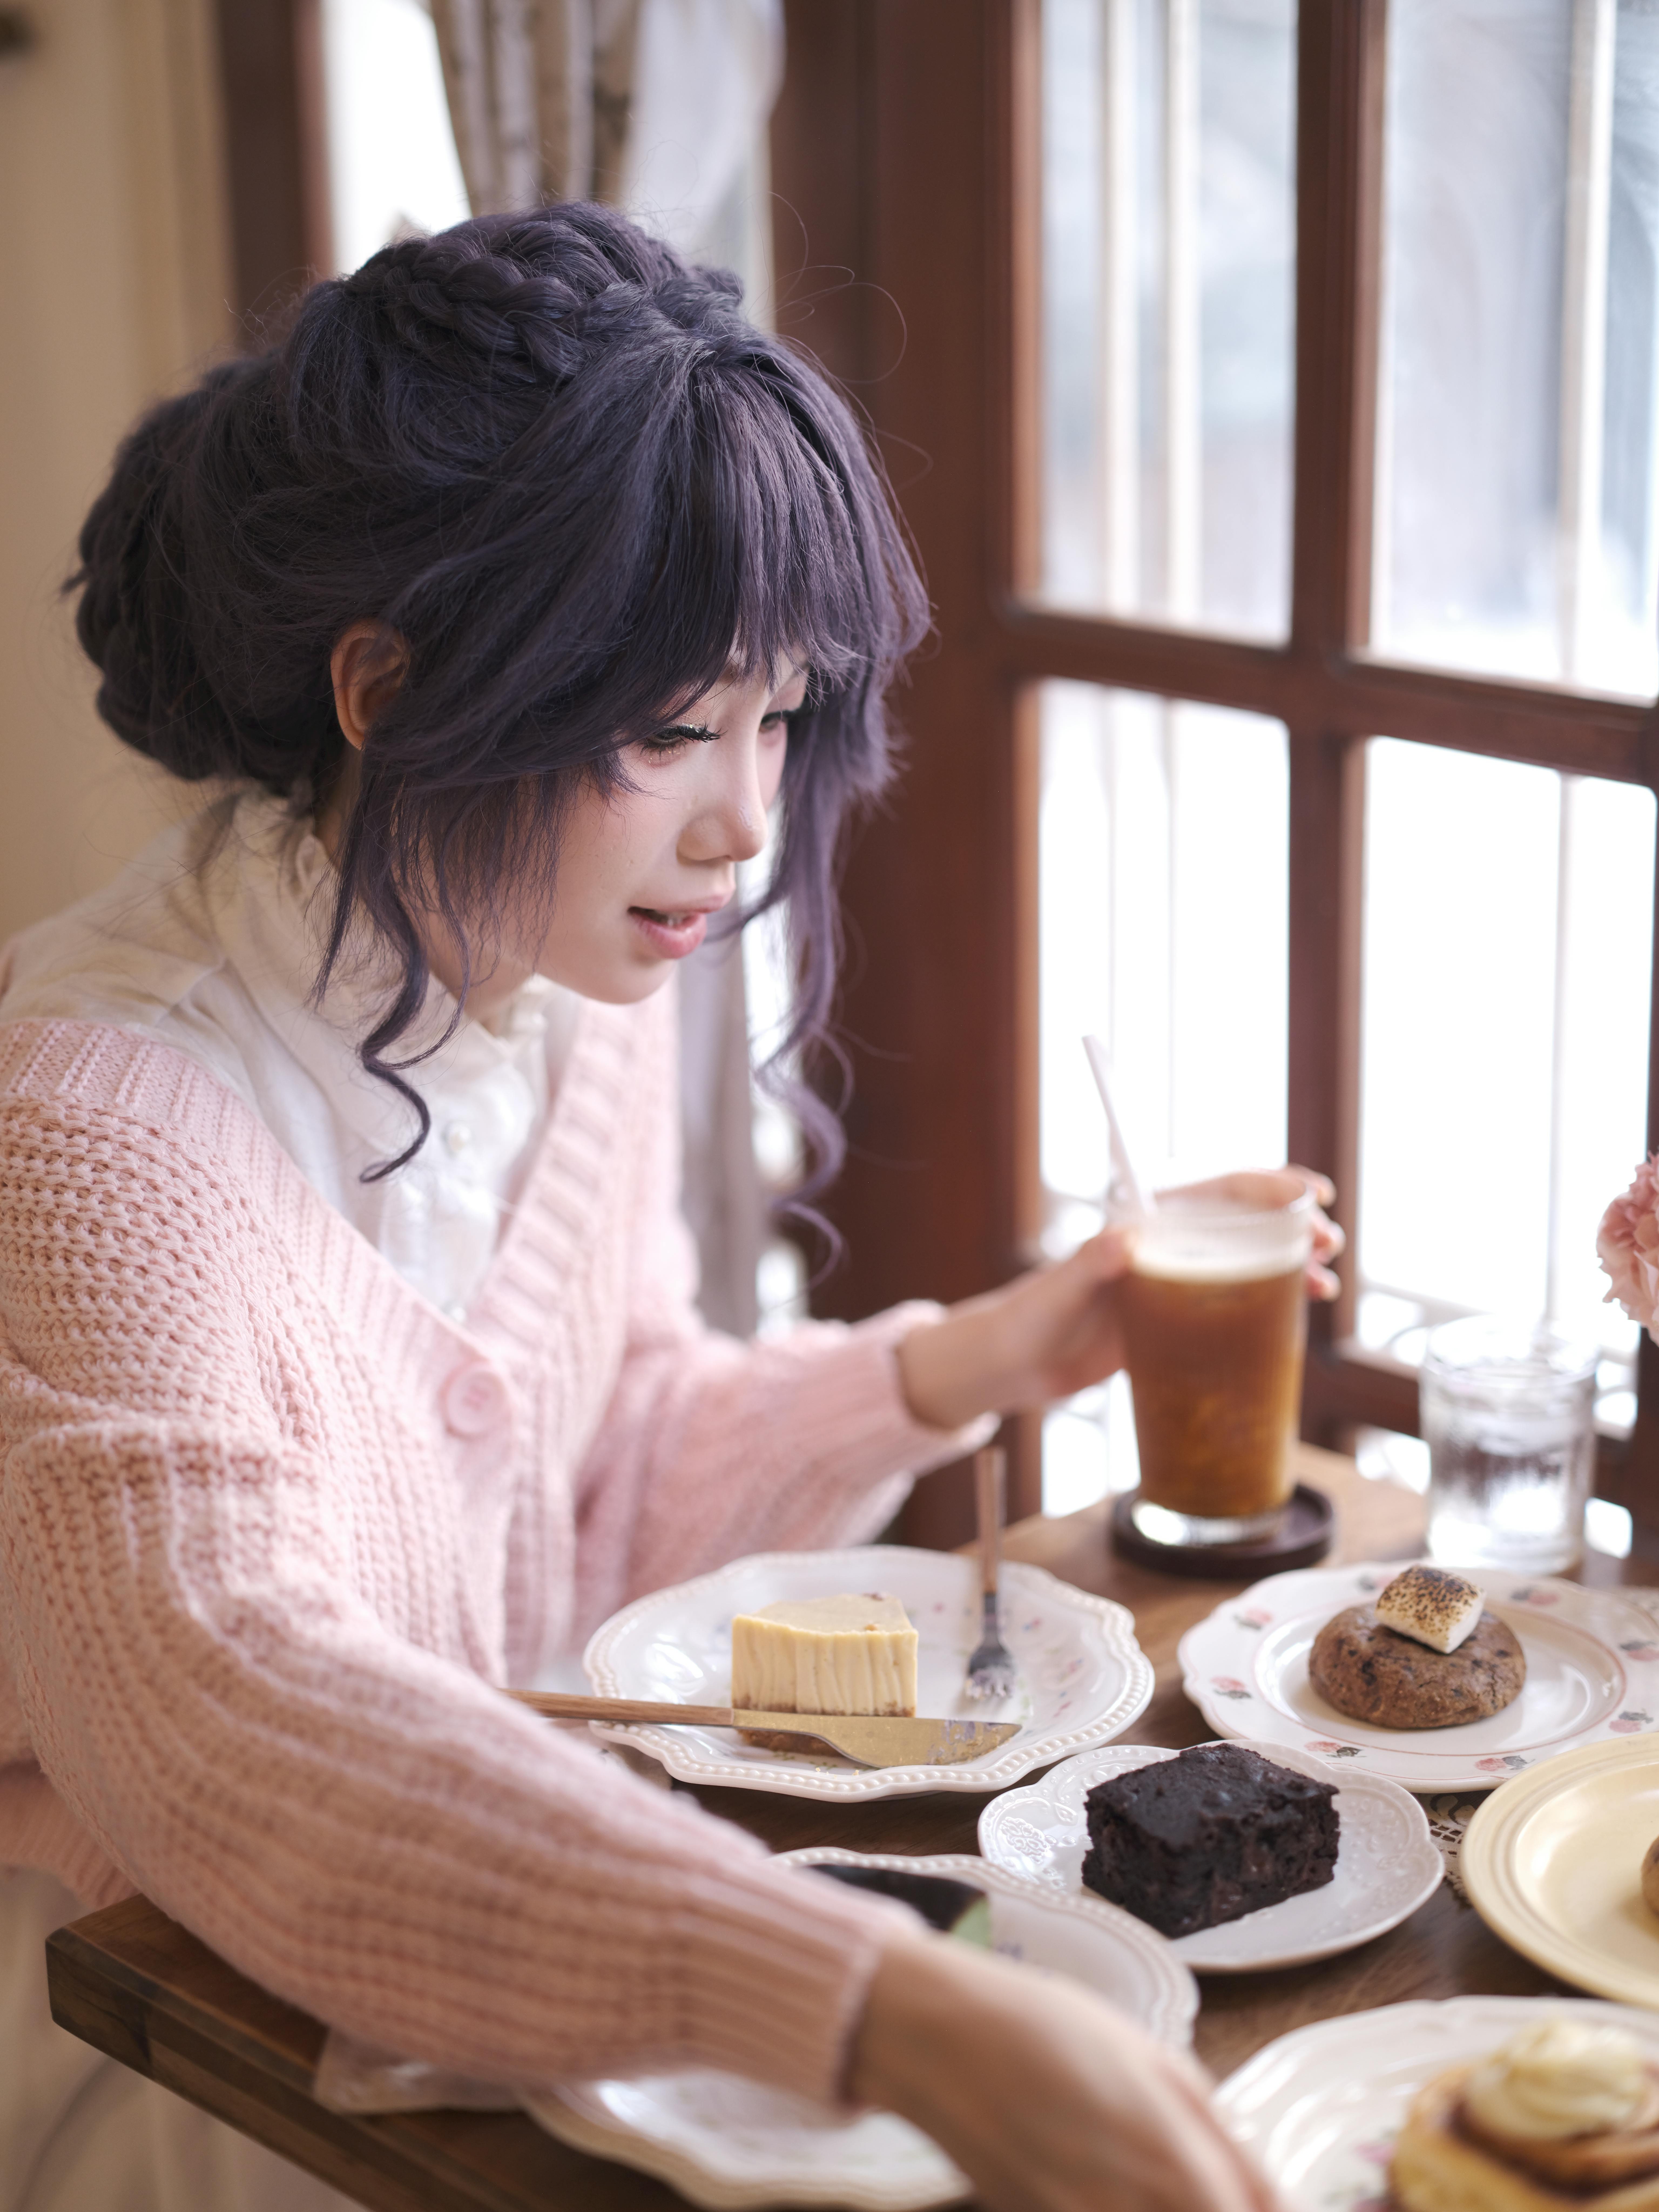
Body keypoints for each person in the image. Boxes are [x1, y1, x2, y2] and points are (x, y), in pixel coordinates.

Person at [0, 204, 1321, 2212]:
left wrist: (983, 1356)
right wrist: (883, 2006)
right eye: (668, 729)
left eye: (779, 715)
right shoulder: (93, 1129)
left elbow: (596, 1471)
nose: (745, 819)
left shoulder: (554, 968)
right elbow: (239, 1713)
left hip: (520, 2010)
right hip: (192, 2070)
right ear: (386, 690)